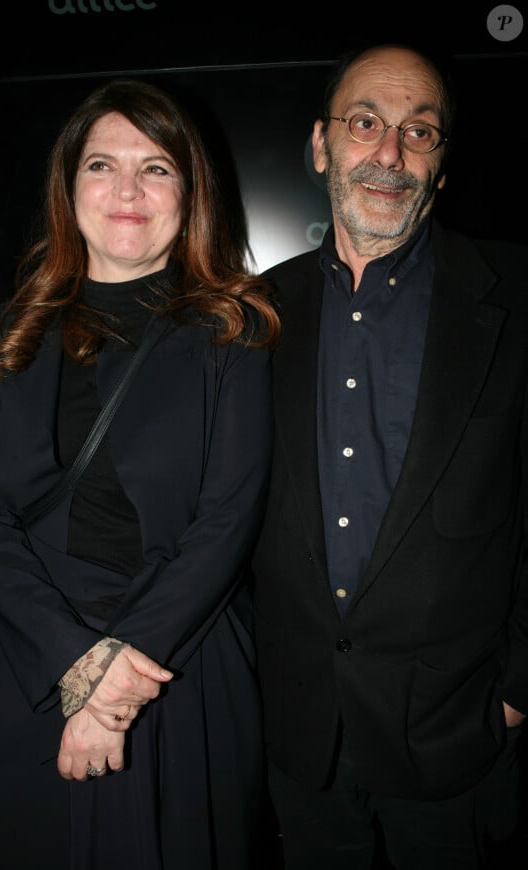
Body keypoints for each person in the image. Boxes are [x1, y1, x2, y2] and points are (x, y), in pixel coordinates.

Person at [0, 78, 280, 870]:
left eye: (156, 167)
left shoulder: (233, 334)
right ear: (70, 189)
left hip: (175, 670)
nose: (128, 189)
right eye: (102, 165)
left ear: (189, 192)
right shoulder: (6, 330)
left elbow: (228, 520)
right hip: (22, 658)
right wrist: (74, 661)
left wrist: (120, 681)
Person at [251, 42, 528, 869]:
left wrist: (516, 693)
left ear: (441, 167)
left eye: (420, 132)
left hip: (459, 741)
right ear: (320, 145)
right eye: (365, 123)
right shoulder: (248, 318)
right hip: (300, 739)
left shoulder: (516, 298)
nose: (389, 153)